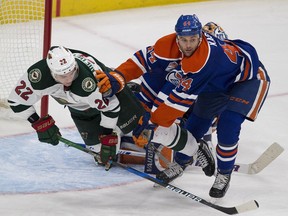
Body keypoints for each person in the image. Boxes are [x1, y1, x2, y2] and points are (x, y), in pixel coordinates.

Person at [96, 14, 270, 198]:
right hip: (214, 85)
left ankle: (224, 174)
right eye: (184, 39)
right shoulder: (167, 45)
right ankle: (179, 164)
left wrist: (151, 125)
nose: (188, 45)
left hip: (246, 81)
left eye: (193, 40)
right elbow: (142, 60)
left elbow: (177, 103)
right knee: (193, 128)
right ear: (176, 37)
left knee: (228, 125)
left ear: (200, 37)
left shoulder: (204, 60)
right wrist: (118, 76)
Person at [7, 46, 145, 170]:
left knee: (139, 127)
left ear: (75, 66)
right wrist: (38, 123)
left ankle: (130, 90)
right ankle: (116, 133)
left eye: (71, 73)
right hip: (80, 109)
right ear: (51, 71)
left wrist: (107, 134)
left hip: (114, 96)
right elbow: (16, 102)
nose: (68, 79)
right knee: (102, 155)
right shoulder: (38, 76)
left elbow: (112, 106)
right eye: (62, 76)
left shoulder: (89, 82)